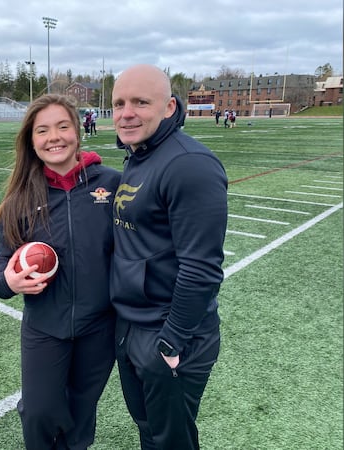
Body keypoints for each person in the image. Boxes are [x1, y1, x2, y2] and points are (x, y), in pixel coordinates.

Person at [0, 94, 121, 450]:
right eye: (43, 130)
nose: (54, 137)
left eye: (63, 126)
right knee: (38, 411)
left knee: (81, 412)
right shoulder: (20, 198)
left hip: (100, 325)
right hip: (45, 325)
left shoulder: (112, 183)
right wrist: (10, 281)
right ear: (32, 142)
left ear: (78, 131)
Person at [110, 64, 228, 450]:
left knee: (171, 442)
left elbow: (202, 268)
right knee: (150, 432)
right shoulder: (139, 155)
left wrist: (171, 343)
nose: (127, 112)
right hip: (132, 327)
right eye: (119, 103)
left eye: (141, 102)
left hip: (167, 334)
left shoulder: (188, 164)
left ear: (168, 107)